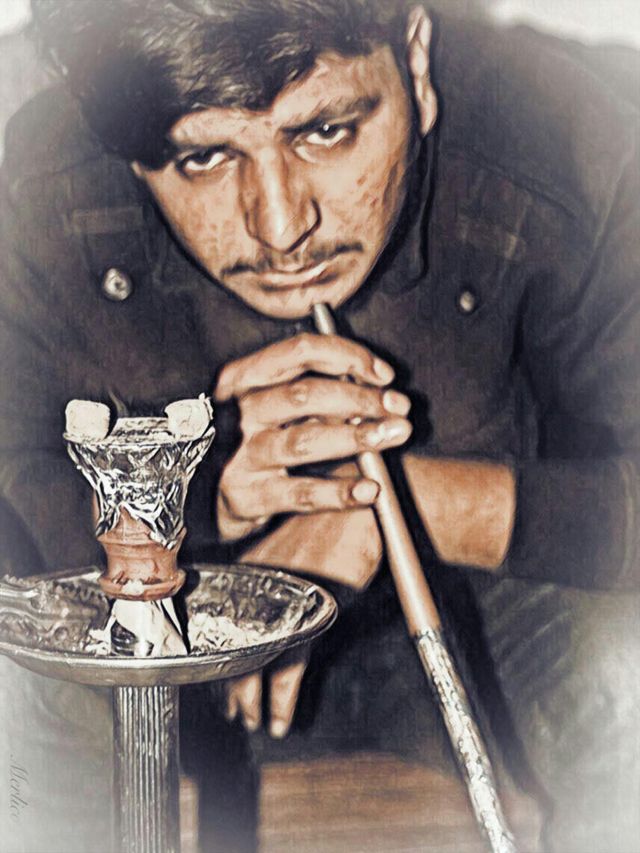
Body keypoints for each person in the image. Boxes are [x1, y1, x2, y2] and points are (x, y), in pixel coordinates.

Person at [1, 1, 639, 850]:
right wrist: (189, 499)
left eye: (326, 131)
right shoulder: (48, 167)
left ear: (415, 62)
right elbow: (12, 495)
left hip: (483, 627)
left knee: (629, 672)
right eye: (203, 156)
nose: (280, 227)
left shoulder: (561, 137)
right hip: (166, 661)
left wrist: (395, 510)